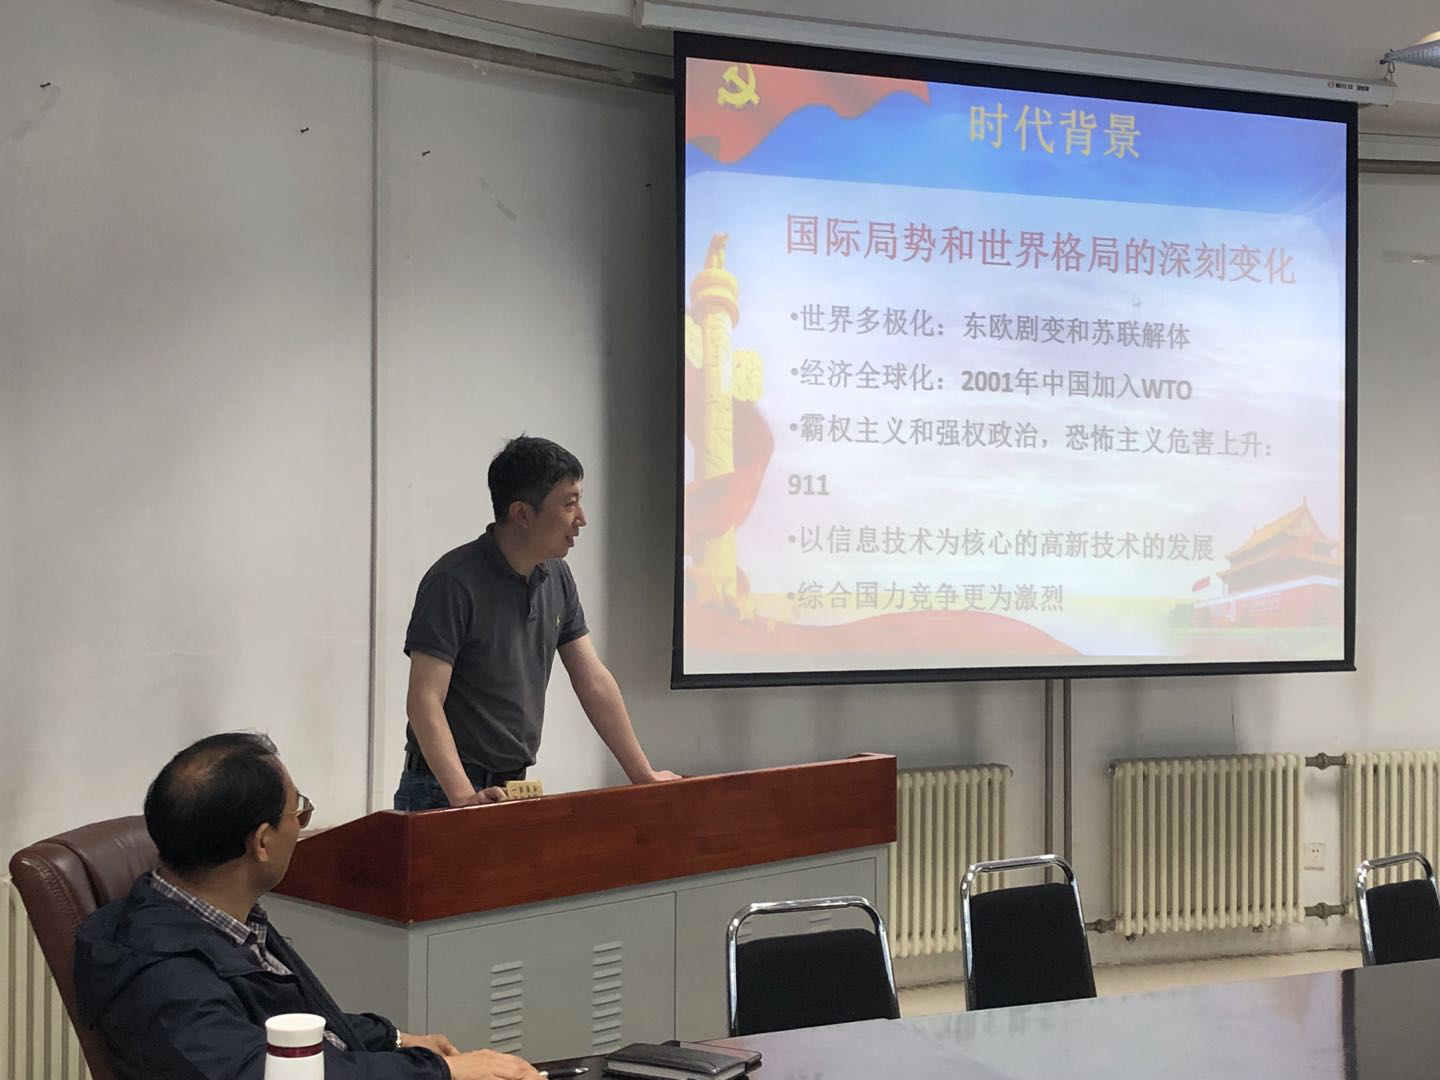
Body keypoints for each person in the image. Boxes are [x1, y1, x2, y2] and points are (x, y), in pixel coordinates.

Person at [74, 732, 543, 1080]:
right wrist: (441, 1073)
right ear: (262, 842)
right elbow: (271, 1072)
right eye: (297, 809)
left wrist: (393, 1039)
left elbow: (286, 1027)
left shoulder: (212, 915)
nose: (302, 823)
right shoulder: (164, 978)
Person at [394, 435, 678, 811]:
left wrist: (643, 774)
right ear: (522, 514)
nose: (582, 519)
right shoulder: (453, 582)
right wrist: (462, 797)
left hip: (511, 788)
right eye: (569, 503)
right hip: (441, 791)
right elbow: (424, 699)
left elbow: (593, 680)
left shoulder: (556, 576)